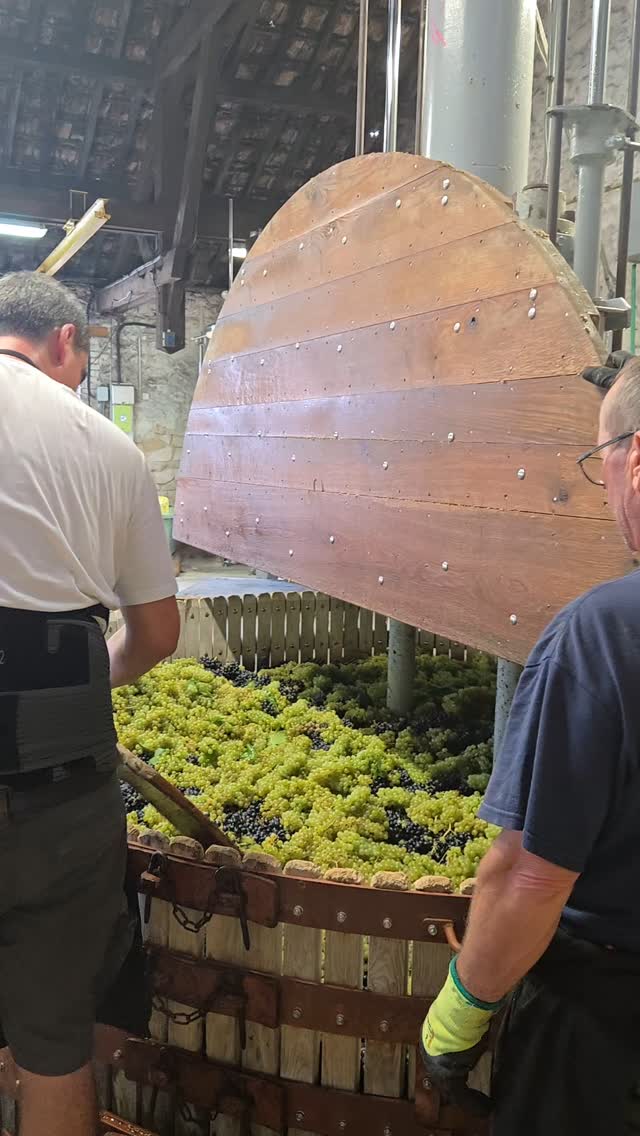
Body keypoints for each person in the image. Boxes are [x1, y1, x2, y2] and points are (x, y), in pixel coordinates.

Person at [421, 355, 640, 1135]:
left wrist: (463, 1009)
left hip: (605, 1027)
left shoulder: (604, 633)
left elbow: (529, 875)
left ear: (636, 461)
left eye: (598, 461)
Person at [0, 272, 179, 1136]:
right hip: (58, 795)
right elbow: (155, 635)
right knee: (56, 1047)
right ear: (68, 342)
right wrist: (81, 685)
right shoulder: (108, 450)